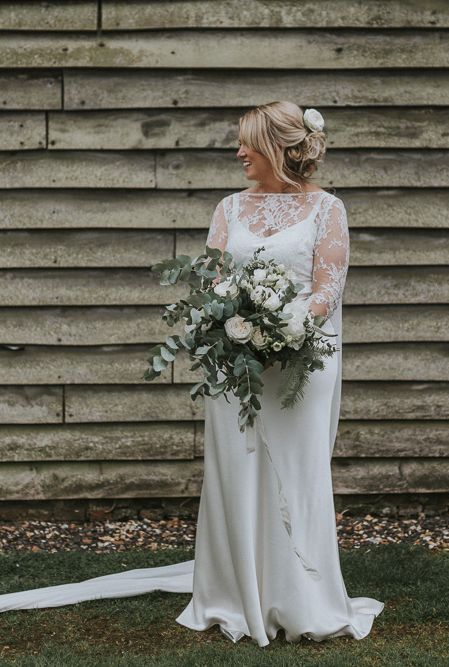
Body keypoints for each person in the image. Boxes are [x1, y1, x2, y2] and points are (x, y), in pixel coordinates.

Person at [0, 101, 386, 648]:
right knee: (236, 471)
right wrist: (232, 321)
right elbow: (210, 285)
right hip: (236, 366)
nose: (238, 153)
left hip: (300, 363)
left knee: (297, 476)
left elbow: (328, 286)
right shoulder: (229, 208)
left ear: (276, 147)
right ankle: (234, 592)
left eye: (246, 142)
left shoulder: (328, 209)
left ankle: (304, 595)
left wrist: (288, 327)